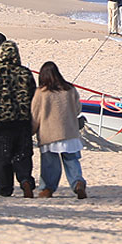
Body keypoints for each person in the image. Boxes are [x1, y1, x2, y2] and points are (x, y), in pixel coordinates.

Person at [0, 41, 37, 198]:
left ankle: (5, 188)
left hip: (3, 122)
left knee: (3, 156)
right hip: (23, 121)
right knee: (23, 153)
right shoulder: (25, 74)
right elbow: (34, 97)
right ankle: (25, 180)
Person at [31, 61, 88, 199]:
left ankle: (47, 189)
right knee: (72, 160)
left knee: (50, 164)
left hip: (49, 134)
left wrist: (31, 131)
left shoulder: (41, 93)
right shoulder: (70, 89)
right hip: (70, 133)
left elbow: (35, 115)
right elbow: (77, 109)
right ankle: (78, 182)